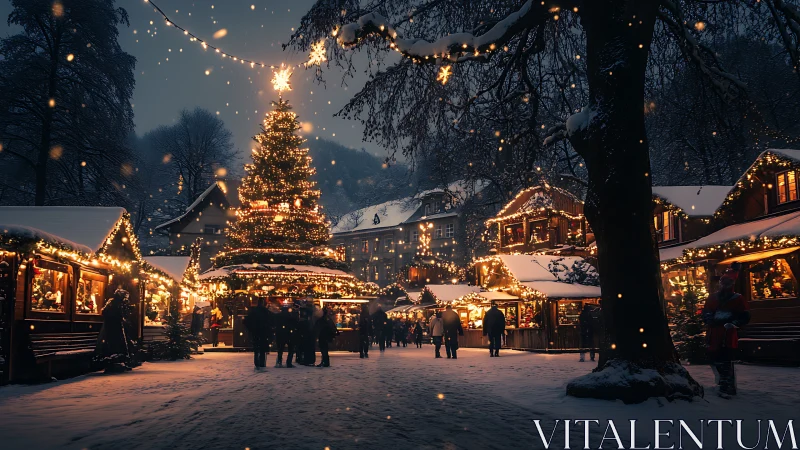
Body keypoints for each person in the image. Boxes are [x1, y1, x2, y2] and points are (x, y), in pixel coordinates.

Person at [703, 263, 749, 397]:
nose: (724, 284)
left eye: (728, 282)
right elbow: (706, 312)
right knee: (714, 359)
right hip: (714, 333)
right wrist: (709, 319)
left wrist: (734, 323)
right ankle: (722, 382)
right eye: (723, 282)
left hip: (727, 334)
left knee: (726, 361)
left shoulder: (738, 299)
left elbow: (744, 315)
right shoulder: (712, 298)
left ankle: (727, 386)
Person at [94, 289, 133, 373]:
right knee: (115, 344)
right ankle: (114, 362)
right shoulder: (114, 304)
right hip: (113, 328)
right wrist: (120, 319)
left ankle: (119, 361)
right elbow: (115, 315)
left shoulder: (113, 304)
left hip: (113, 328)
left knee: (118, 344)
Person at [243, 298, 273, 370]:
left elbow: (246, 321)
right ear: (263, 303)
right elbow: (271, 320)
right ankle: (262, 363)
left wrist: (251, 329)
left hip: (255, 332)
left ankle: (257, 362)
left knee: (256, 348)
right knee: (262, 348)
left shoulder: (253, 311)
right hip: (263, 332)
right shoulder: (265, 311)